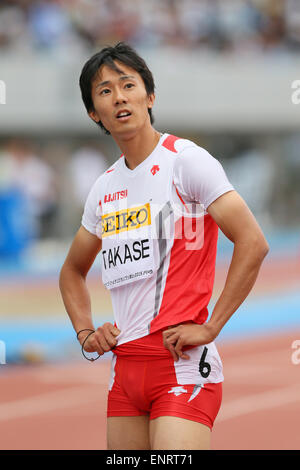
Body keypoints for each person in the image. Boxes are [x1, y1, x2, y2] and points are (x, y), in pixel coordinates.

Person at [59, 42, 269, 450]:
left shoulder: (187, 162)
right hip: (125, 371)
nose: (119, 97)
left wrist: (212, 326)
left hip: (182, 365)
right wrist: (86, 333)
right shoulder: (103, 188)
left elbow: (253, 242)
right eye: (104, 91)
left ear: (149, 96)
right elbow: (71, 271)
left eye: (127, 85)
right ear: (93, 113)